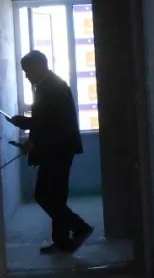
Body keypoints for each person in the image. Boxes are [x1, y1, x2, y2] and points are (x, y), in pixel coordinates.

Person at [7, 50, 94, 254]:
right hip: (57, 149)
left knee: (44, 196)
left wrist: (24, 122)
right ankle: (62, 241)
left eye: (27, 71)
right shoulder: (49, 85)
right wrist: (30, 138)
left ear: (38, 66)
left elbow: (48, 123)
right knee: (55, 197)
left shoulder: (50, 87)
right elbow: (45, 121)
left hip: (58, 150)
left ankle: (80, 228)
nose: (26, 76)